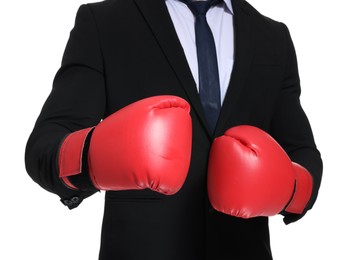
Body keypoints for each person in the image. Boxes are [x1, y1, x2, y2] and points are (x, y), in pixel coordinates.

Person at [25, 0, 323, 259]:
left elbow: (302, 151)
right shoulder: (105, 22)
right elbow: (44, 146)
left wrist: (289, 187)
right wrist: (94, 156)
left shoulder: (272, 36)